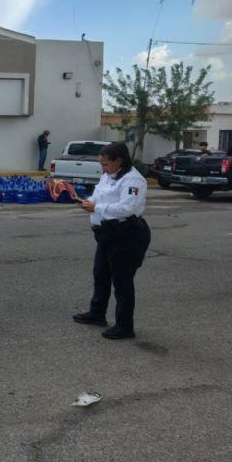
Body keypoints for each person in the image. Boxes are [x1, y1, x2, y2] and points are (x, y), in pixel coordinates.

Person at [73, 142, 151, 340]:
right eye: (101, 163)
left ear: (119, 161)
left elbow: (127, 208)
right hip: (106, 233)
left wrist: (96, 208)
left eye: (105, 164)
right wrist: (88, 202)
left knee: (122, 282)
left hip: (126, 235)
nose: (102, 168)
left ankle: (125, 326)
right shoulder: (107, 175)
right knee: (101, 275)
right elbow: (99, 196)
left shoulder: (133, 180)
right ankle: (97, 313)